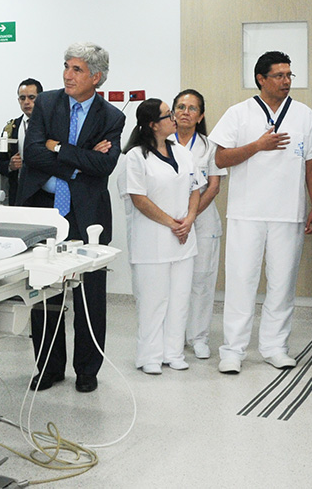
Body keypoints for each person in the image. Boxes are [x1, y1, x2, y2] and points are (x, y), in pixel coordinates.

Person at [19, 43, 126, 393]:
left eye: (77, 69)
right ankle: (48, 368)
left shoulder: (112, 117)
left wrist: (60, 148)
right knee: (43, 292)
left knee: (89, 297)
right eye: (66, 66)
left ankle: (87, 370)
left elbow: (104, 166)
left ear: (96, 76)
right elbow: (33, 153)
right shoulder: (47, 103)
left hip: (87, 215)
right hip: (44, 208)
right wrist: (80, 160)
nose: (67, 74)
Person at [209, 51, 312, 374]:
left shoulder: (303, 115)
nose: (286, 81)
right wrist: (256, 146)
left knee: (282, 282)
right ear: (261, 79)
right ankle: (233, 350)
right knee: (241, 281)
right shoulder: (238, 114)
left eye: (289, 75)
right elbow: (220, 159)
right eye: (279, 76)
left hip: (289, 212)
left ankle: (275, 346)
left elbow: (311, 162)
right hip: (247, 213)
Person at [119, 98, 203, 374]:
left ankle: (173, 352)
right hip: (153, 240)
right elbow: (139, 198)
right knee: (154, 301)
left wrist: (188, 220)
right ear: (153, 125)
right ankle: (150, 356)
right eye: (168, 115)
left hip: (183, 238)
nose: (175, 118)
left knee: (179, 299)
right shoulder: (135, 157)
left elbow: (195, 188)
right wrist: (172, 224)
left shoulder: (182, 152)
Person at [171, 88, 227, 360]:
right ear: (172, 112)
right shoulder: (162, 143)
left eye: (192, 108)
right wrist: (178, 219)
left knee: (202, 280)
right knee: (172, 282)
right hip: (170, 222)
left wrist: (191, 216)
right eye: (181, 106)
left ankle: (199, 337)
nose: (185, 112)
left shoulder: (210, 145)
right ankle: (174, 335)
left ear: (200, 115)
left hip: (202, 220)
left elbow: (214, 186)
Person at [0, 78, 43, 205]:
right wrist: (10, 166)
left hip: (44, 193)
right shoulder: (10, 128)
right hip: (18, 192)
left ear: (41, 98)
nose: (26, 102)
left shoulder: (51, 126)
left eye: (31, 97)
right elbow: (0, 163)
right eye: (22, 98)